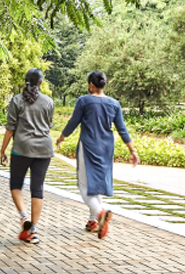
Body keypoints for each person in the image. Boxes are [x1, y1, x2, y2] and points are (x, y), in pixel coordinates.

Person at [56, 70, 139, 239]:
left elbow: (73, 122)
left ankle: (100, 213)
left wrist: (62, 137)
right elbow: (122, 129)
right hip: (106, 148)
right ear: (104, 84)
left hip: (88, 146)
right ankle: (93, 221)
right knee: (97, 184)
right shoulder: (114, 104)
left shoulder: (84, 101)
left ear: (91, 85)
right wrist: (132, 150)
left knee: (84, 186)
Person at [0, 68, 54, 244]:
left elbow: (10, 128)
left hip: (22, 149)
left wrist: (3, 150)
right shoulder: (48, 101)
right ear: (41, 83)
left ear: (26, 81)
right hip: (44, 149)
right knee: (37, 189)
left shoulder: (16, 100)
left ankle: (24, 217)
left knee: (16, 185)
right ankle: (33, 230)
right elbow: (48, 125)